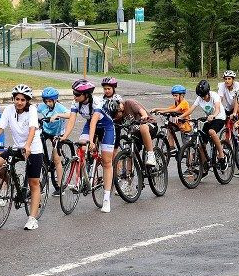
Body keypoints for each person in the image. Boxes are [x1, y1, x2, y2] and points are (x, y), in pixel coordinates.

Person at [0, 84, 43, 230]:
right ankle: (12, 183)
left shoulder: (32, 110)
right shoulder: (8, 110)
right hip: (16, 147)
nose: (19, 102)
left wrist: (27, 145)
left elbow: (32, 129)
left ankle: (32, 218)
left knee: (33, 182)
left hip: (33, 148)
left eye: (22, 100)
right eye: (17, 99)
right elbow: (0, 128)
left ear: (27, 101)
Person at [61, 79, 115, 214]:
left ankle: (107, 199)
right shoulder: (76, 102)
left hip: (106, 128)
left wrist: (91, 141)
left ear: (86, 95)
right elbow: (72, 121)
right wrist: (64, 137)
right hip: (89, 125)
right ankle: (81, 179)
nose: (75, 96)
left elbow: (94, 124)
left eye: (77, 94)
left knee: (107, 162)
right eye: (74, 93)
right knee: (81, 147)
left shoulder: (97, 102)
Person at [185, 79, 228, 169]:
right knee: (201, 145)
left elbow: (217, 109)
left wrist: (213, 115)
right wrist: (181, 117)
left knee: (211, 132)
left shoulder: (214, 96)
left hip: (219, 118)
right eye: (201, 96)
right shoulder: (200, 97)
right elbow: (191, 109)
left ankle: (221, 155)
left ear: (208, 92)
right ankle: (204, 166)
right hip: (208, 120)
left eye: (204, 96)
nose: (203, 98)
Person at [107, 95, 157, 167]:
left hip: (149, 126)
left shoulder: (129, 103)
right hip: (136, 134)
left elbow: (141, 110)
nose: (117, 115)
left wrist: (144, 115)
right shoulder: (117, 118)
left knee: (143, 127)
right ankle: (128, 174)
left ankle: (151, 155)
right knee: (130, 152)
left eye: (117, 112)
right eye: (115, 114)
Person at [37, 87, 68, 194]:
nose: (48, 103)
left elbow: (70, 114)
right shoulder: (42, 106)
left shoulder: (59, 108)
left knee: (56, 159)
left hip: (57, 134)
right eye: (46, 101)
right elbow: (32, 109)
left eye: (50, 101)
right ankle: (44, 163)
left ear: (55, 100)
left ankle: (60, 186)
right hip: (46, 131)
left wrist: (58, 115)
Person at [151, 85, 191, 155]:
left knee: (187, 149)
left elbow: (175, 110)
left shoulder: (184, 103)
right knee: (170, 128)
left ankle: (190, 164)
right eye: (173, 95)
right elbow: (168, 109)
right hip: (179, 124)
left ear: (182, 95)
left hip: (186, 127)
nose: (174, 97)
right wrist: (156, 109)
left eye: (176, 95)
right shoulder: (177, 103)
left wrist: (163, 112)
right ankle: (172, 147)